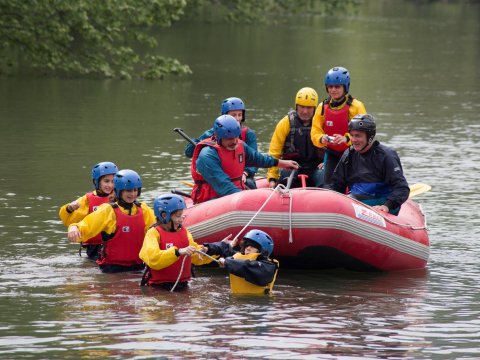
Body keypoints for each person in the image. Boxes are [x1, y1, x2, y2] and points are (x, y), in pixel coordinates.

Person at [190, 115, 299, 204]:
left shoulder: (240, 145)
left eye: (236, 137)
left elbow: (258, 159)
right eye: (229, 138)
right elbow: (224, 186)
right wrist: (249, 200)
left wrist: (281, 163)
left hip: (236, 196)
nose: (234, 141)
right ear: (219, 137)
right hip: (212, 201)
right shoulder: (207, 156)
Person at [67, 169, 156, 273]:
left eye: (135, 190)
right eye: (128, 190)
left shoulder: (144, 210)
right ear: (119, 191)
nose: (132, 194)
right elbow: (87, 225)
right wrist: (74, 227)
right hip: (112, 269)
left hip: (138, 266)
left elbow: (158, 229)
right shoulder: (108, 210)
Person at [329, 114, 410, 215]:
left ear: (370, 137)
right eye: (352, 135)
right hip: (355, 200)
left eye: (358, 136)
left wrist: (387, 206)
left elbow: (402, 188)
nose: (354, 140)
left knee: (351, 200)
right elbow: (337, 185)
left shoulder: (386, 156)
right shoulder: (349, 154)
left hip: (382, 202)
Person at [139, 194, 211, 291]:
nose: (181, 219)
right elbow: (153, 259)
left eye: (182, 215)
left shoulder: (185, 232)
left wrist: (215, 249)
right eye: (178, 216)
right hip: (158, 287)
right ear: (164, 216)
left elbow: (195, 255)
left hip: (183, 285)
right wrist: (177, 252)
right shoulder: (153, 233)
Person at [185, 97, 259, 189]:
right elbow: (188, 153)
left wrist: (245, 173)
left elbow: (255, 161)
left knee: (249, 183)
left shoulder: (248, 134)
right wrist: (197, 143)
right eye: (233, 115)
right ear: (225, 116)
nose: (237, 119)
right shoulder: (213, 133)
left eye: (239, 115)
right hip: (220, 173)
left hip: (242, 174)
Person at [311, 66, 367, 187]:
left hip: (353, 153)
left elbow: (364, 132)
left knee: (355, 187)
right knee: (329, 187)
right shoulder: (322, 107)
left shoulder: (356, 107)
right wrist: (321, 139)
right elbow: (315, 131)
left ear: (345, 87)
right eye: (330, 87)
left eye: (337, 87)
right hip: (332, 154)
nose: (333, 90)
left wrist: (346, 138)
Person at [267, 87, 325, 188]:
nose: (305, 111)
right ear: (296, 106)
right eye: (302, 107)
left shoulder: (321, 123)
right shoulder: (285, 123)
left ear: (315, 108)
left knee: (324, 177)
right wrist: (272, 178)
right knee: (285, 176)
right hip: (291, 167)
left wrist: (326, 162)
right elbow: (274, 153)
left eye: (309, 108)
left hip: (316, 168)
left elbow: (332, 148)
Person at [59, 161, 118, 260]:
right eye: (106, 181)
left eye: (113, 181)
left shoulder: (120, 197)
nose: (110, 185)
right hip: (94, 247)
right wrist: (69, 208)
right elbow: (68, 221)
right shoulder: (87, 200)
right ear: (97, 182)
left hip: (113, 245)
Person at [203, 229, 279, 295]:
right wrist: (207, 248)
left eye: (253, 246)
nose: (248, 248)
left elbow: (246, 266)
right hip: (236, 301)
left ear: (263, 250)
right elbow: (225, 249)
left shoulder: (269, 266)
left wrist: (226, 262)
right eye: (247, 245)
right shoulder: (237, 258)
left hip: (258, 305)